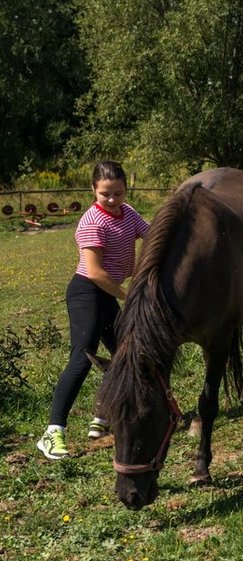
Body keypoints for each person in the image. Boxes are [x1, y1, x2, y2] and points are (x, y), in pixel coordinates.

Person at [36, 161, 150, 460]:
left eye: (118, 193)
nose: (112, 200)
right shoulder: (92, 222)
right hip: (87, 292)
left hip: (108, 295)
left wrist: (144, 268)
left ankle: (105, 415)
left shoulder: (130, 214)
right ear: (93, 191)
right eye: (105, 194)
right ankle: (53, 432)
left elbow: (152, 237)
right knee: (82, 358)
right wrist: (129, 295)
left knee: (126, 355)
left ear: (126, 189)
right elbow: (96, 272)